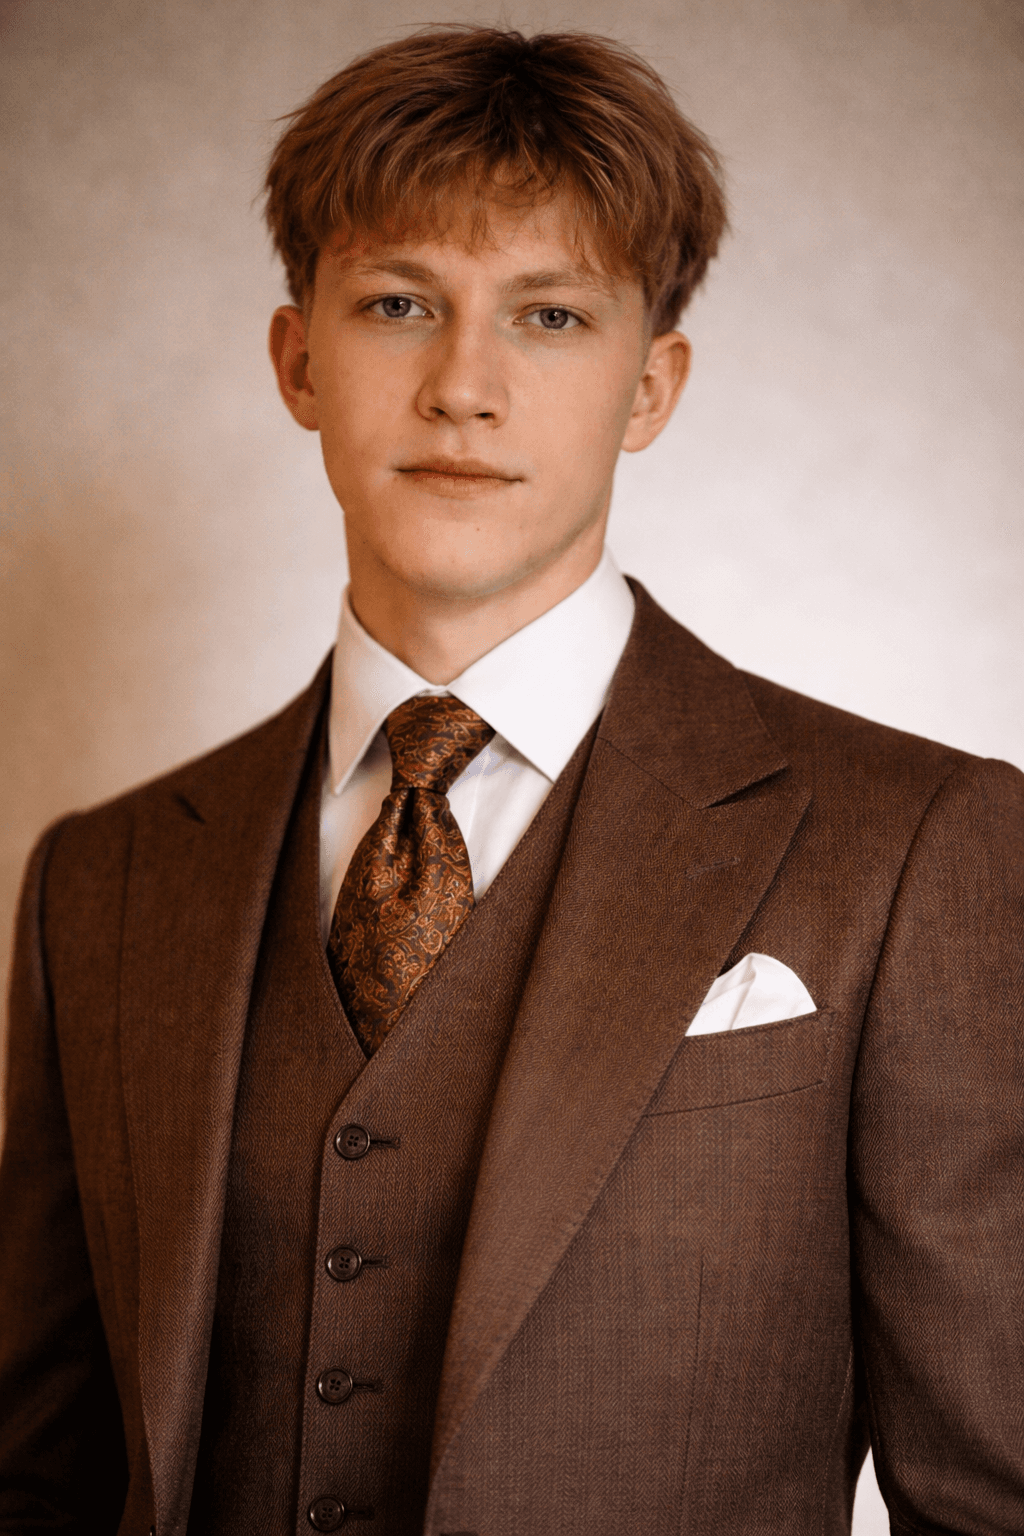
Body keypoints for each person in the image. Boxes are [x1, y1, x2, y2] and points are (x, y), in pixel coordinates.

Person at [0, 24, 1021, 1536]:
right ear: (298, 359)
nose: (464, 385)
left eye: (549, 317)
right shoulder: (104, 878)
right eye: (400, 302)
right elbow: (39, 1478)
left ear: (652, 386)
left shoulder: (915, 842)